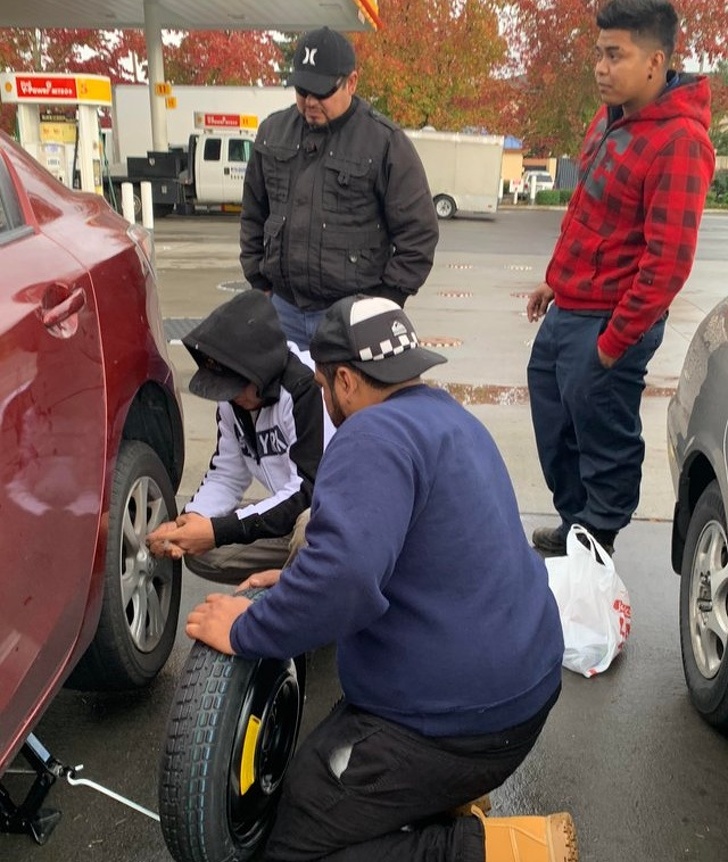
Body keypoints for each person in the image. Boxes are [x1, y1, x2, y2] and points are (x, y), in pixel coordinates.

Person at [185, 295, 577, 862]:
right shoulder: (450, 418)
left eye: (324, 385)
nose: (325, 398)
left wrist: (247, 628)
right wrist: (296, 580)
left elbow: (343, 581)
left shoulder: (370, 435)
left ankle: (491, 850)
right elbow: (394, 550)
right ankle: (446, 798)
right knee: (323, 780)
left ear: (345, 381)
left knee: (289, 844)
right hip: (522, 686)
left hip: (461, 722)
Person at [526, 0, 715, 558]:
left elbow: (667, 263)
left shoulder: (680, 141)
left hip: (610, 319)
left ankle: (597, 543)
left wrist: (613, 344)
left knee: (603, 437)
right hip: (570, 307)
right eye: (598, 54)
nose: (600, 68)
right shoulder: (609, 118)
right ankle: (575, 524)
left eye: (615, 55)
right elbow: (588, 212)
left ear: (655, 62)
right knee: (555, 423)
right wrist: (555, 280)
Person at [239, 26, 439, 349]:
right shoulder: (273, 133)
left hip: (354, 315)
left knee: (347, 387)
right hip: (283, 309)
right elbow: (253, 214)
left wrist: (386, 301)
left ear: (352, 82)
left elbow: (419, 234)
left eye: (321, 92)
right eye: (302, 90)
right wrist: (258, 280)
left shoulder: (384, 142)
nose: (310, 102)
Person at [146, 290, 332, 583]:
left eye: (235, 387)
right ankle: (292, 576)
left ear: (261, 371)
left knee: (308, 529)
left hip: (330, 518)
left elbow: (308, 491)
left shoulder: (305, 389)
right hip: (289, 518)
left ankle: (300, 595)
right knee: (202, 551)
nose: (231, 397)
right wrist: (195, 519)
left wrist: (218, 531)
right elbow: (227, 474)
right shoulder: (234, 402)